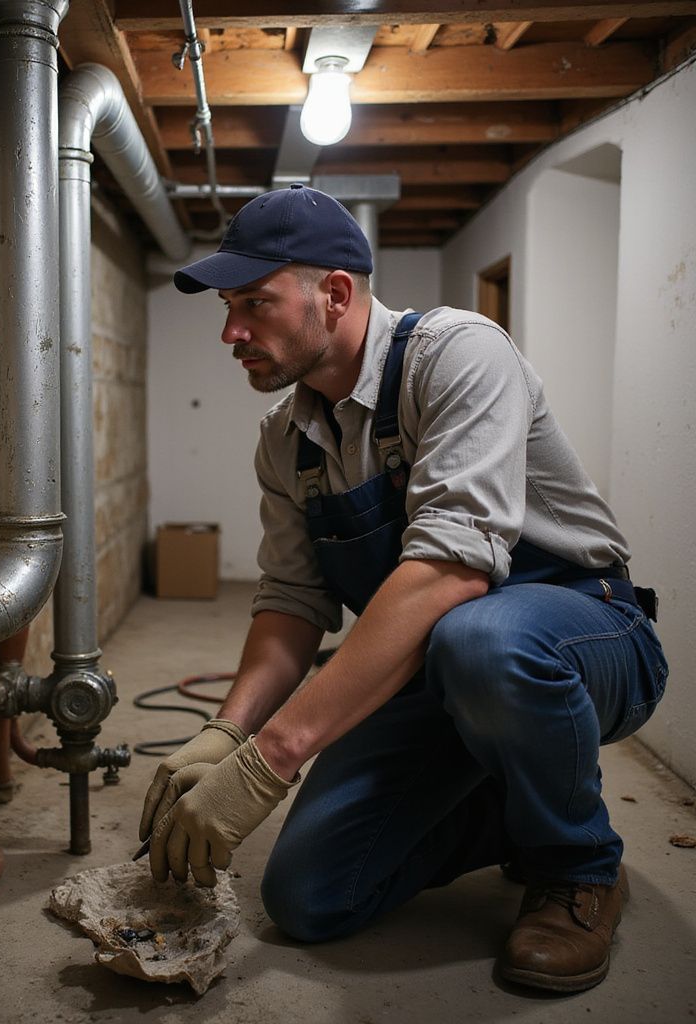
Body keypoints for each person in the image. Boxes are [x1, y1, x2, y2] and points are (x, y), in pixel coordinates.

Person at [138, 183, 668, 994]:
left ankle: (577, 865)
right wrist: (228, 731)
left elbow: (452, 571)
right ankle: (515, 798)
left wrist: (272, 758)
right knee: (310, 896)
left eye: (254, 303)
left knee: (481, 638)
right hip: (436, 671)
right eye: (226, 307)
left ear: (336, 293)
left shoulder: (458, 355)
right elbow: (292, 601)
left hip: (585, 637)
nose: (231, 332)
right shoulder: (285, 439)